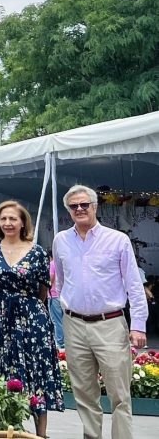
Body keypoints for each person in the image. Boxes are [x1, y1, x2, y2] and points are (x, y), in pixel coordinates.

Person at [53, 185, 148, 439]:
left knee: (119, 394)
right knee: (84, 393)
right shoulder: (60, 240)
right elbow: (60, 282)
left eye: (85, 204)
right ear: (69, 210)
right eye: (74, 206)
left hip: (110, 324)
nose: (80, 209)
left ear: (95, 206)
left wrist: (138, 325)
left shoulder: (117, 240)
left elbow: (134, 286)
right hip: (74, 325)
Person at [0, 200, 62, 438]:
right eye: (3, 219)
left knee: (36, 371)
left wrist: (25, 305)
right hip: (2, 318)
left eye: (13, 218)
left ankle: (41, 434)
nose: (8, 223)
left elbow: (44, 290)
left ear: (23, 222)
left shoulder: (37, 252)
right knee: (3, 372)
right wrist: (6, 302)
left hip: (32, 319)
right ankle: (9, 429)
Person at [48, 253, 65, 349]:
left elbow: (51, 278)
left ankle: (60, 343)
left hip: (54, 295)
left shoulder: (52, 264)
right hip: (63, 296)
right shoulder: (62, 263)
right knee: (65, 320)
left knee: (57, 321)